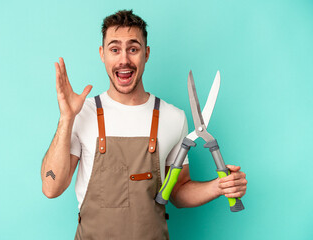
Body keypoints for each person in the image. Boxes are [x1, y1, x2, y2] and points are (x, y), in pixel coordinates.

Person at [41, 10, 247, 240]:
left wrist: (219, 186)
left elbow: (177, 191)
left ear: (146, 54)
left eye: (133, 48)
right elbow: (52, 188)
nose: (124, 60)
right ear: (102, 54)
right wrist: (66, 118)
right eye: (114, 49)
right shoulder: (83, 113)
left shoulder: (173, 117)